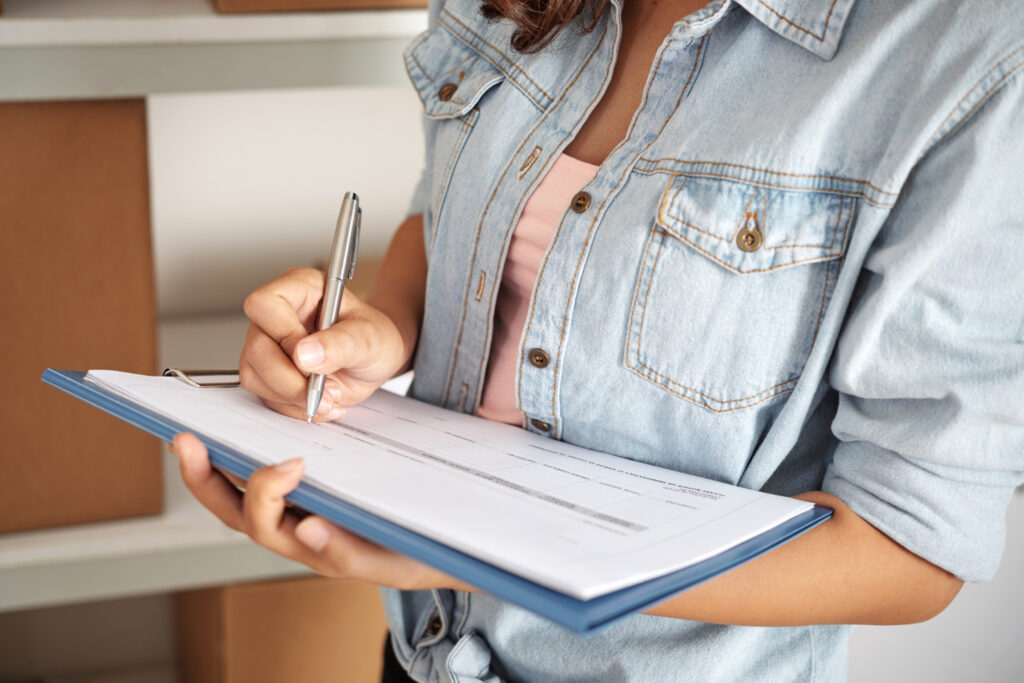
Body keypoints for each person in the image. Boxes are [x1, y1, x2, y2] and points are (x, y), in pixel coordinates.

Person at [171, 0, 1024, 680]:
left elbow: (909, 547)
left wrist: (482, 552)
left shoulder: (967, 50)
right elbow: (443, 216)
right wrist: (380, 328)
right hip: (429, 651)